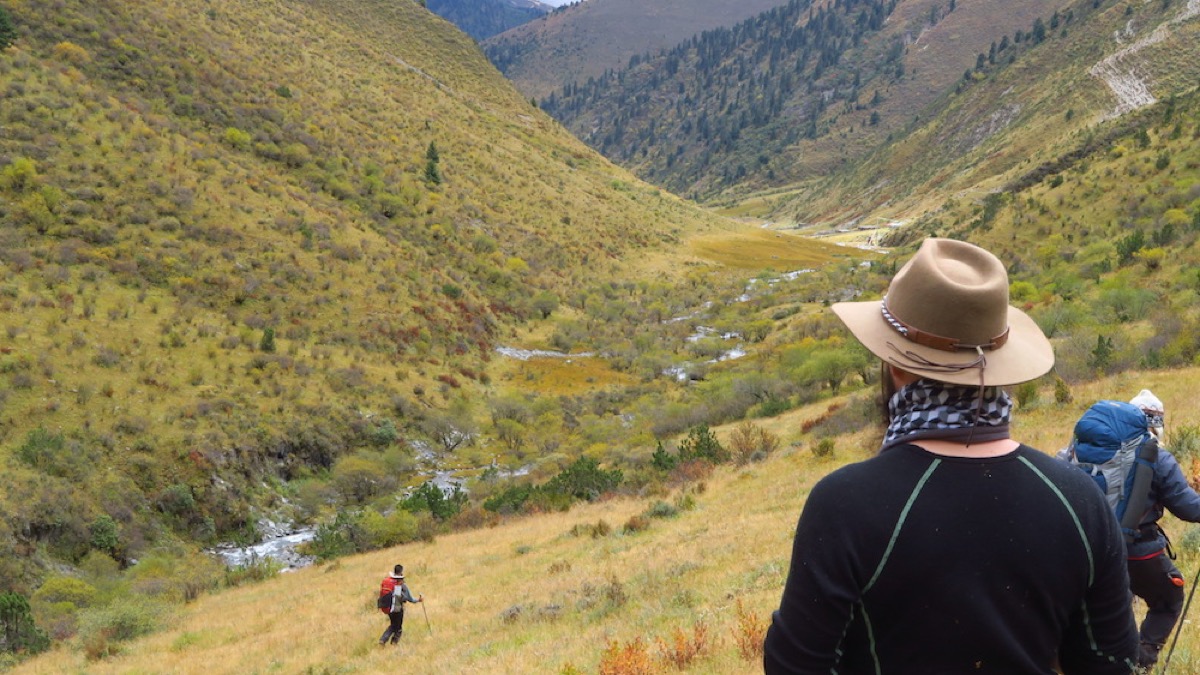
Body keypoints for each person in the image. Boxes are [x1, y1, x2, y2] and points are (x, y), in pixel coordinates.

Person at [763, 238, 1138, 673]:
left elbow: (795, 666)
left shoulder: (843, 503)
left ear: (896, 365)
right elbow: (1112, 661)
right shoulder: (1080, 499)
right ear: (1000, 364)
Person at [1123, 389, 1200, 670]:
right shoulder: (1158, 456)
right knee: (1168, 599)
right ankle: (1141, 664)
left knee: (1107, 607)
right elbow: (1190, 509)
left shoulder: (1088, 449)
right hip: (1139, 552)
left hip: (1090, 549)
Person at [379, 564, 423, 647]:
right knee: (398, 628)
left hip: (389, 608)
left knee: (393, 625)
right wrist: (418, 600)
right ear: (401, 572)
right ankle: (393, 643)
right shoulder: (402, 584)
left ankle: (383, 640)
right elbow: (410, 599)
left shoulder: (389, 581)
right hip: (398, 608)